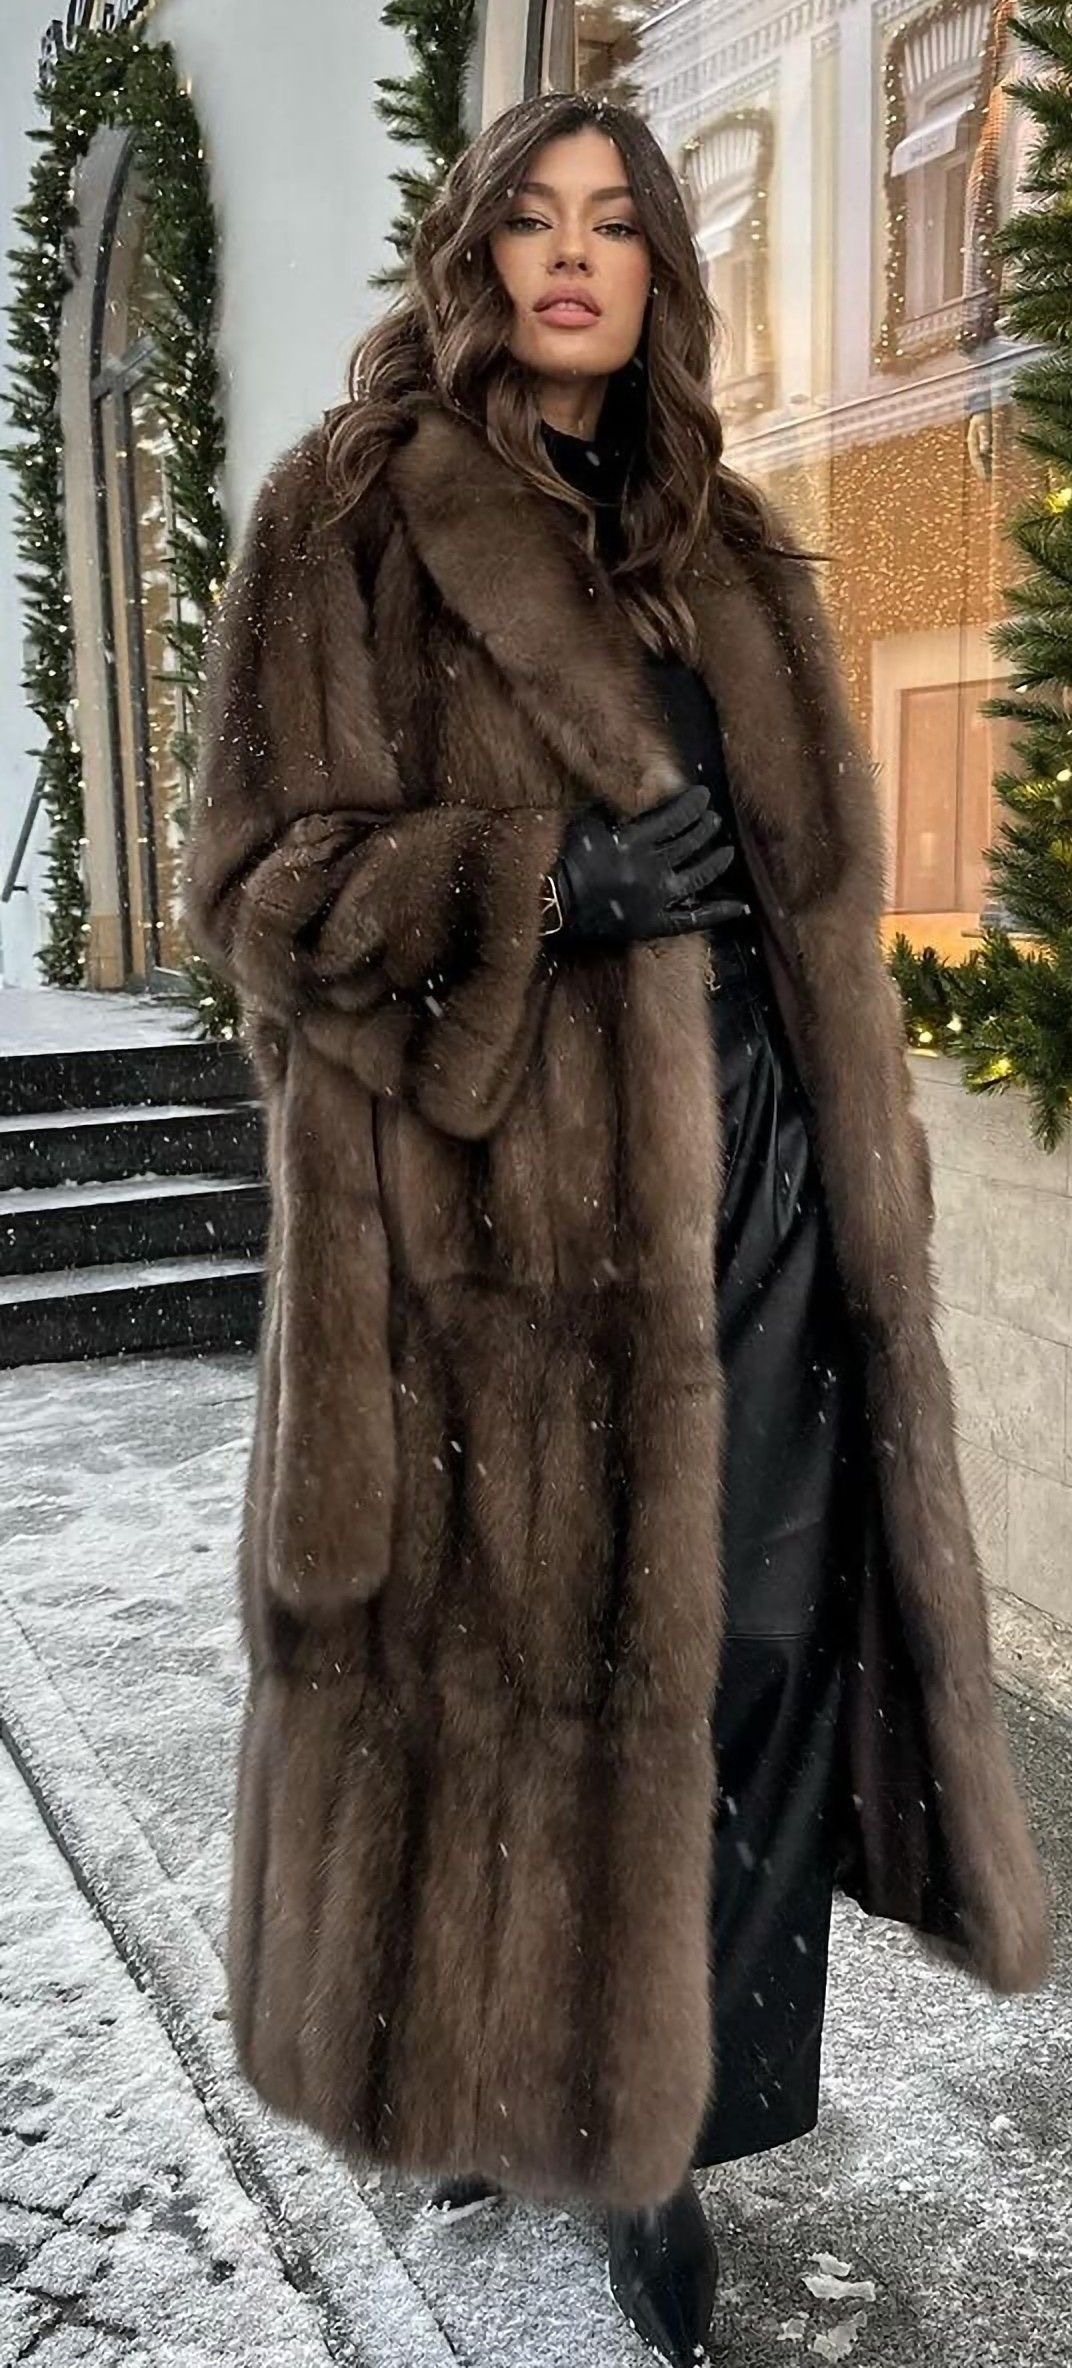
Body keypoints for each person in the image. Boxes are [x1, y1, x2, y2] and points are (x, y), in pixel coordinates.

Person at [183, 90, 1051, 2368]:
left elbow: (811, 909)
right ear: (475, 253)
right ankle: (537, 2104)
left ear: (661, 268)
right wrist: (530, 890)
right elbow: (255, 892)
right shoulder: (348, 517)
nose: (572, 256)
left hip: (769, 1201)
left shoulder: (726, 545)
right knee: (517, 1688)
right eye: (531, 219)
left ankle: (660, 2115)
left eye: (616, 223)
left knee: (746, 1664)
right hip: (494, 1242)